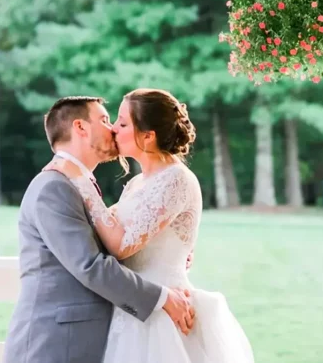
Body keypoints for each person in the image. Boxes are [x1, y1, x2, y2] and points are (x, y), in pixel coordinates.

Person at [45, 88, 255, 362]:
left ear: (147, 136)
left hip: (162, 317)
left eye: (122, 123)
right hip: (135, 307)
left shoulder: (176, 179)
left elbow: (121, 245)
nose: (113, 130)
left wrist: (81, 182)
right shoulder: (136, 183)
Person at [3, 96, 195, 363]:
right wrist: (162, 297)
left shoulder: (75, 183)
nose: (113, 128)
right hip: (54, 344)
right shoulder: (54, 187)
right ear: (81, 128)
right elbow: (90, 265)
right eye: (106, 120)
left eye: (118, 122)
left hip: (101, 337)